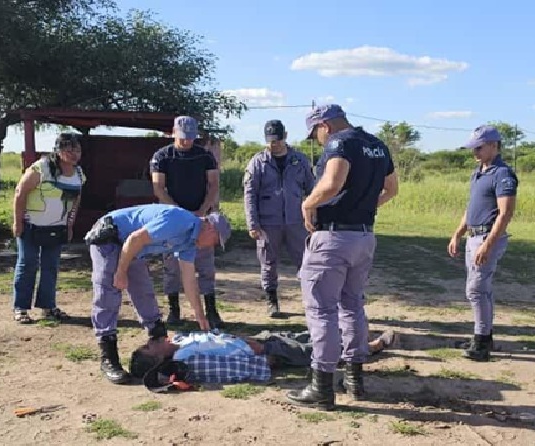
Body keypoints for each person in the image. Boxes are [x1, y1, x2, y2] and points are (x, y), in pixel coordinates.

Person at [285, 104, 398, 411]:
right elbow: (392, 189)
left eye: (315, 134)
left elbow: (332, 182)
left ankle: (321, 387)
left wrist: (308, 204)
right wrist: (363, 206)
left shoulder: (340, 143)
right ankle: (354, 379)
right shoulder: (376, 144)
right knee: (353, 306)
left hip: (332, 238)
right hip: (364, 237)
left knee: (322, 311)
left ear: (325, 125)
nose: (317, 140)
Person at [85, 203, 232, 384]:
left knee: (143, 290)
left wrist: (200, 316)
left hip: (133, 247)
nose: (212, 246)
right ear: (210, 228)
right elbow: (135, 238)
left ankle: (158, 344)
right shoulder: (179, 220)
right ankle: (109, 359)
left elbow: (188, 279)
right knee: (109, 292)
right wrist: (121, 272)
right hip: (111, 237)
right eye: (215, 241)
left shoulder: (190, 242)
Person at [447, 125, 518, 361]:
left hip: (487, 237)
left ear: (494, 146)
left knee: (475, 290)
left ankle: (481, 342)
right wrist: (458, 233)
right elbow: (471, 208)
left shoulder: (502, 174)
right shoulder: (478, 173)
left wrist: (488, 244)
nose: (474, 152)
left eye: (479, 147)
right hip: (473, 236)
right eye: (473, 148)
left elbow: (505, 213)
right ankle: (484, 337)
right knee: (481, 289)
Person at [129, 328, 397, 388]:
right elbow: (228, 364)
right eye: (150, 348)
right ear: (158, 361)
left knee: (305, 335)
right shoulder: (187, 358)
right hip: (261, 350)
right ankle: (367, 348)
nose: (151, 342)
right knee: (308, 350)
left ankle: (353, 337)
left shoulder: (179, 343)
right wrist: (258, 353)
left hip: (255, 340)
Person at [150, 116, 224, 329]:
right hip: (172, 217)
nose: (186, 141)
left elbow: (213, 184)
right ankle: (174, 310)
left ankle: (211, 309)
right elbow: (158, 188)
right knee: (172, 265)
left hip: (200, 215)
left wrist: (202, 209)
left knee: (205, 265)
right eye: (183, 137)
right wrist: (179, 213)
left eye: (190, 137)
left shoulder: (205, 155)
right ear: (174, 132)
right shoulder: (162, 156)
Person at [244, 119, 315, 317]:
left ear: (285, 136)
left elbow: (313, 190)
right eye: (270, 140)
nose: (273, 144)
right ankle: (272, 301)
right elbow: (249, 194)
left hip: (297, 221)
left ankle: (311, 300)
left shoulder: (300, 160)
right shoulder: (258, 162)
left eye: (277, 140)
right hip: (268, 222)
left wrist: (315, 218)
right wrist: (252, 223)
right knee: (268, 263)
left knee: (306, 261)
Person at [12, 133, 84, 324]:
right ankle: (21, 308)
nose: (74, 154)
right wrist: (17, 222)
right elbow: (20, 193)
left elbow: (76, 200)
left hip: (57, 228)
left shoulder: (78, 173)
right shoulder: (41, 168)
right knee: (27, 264)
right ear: (58, 151)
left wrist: (70, 225)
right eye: (69, 150)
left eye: (77, 150)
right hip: (31, 226)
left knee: (51, 267)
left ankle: (48, 307)